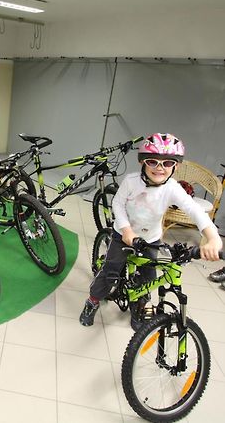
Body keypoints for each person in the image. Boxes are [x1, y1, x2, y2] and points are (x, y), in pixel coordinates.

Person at [80, 133, 223, 330]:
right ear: (142, 163)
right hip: (124, 235)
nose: (159, 168)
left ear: (176, 166)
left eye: (167, 163)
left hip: (151, 238)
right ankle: (93, 300)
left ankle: (139, 305)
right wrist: (126, 231)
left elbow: (193, 209)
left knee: (148, 278)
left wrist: (212, 237)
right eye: (152, 161)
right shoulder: (131, 182)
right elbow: (118, 205)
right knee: (110, 274)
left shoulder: (172, 188)